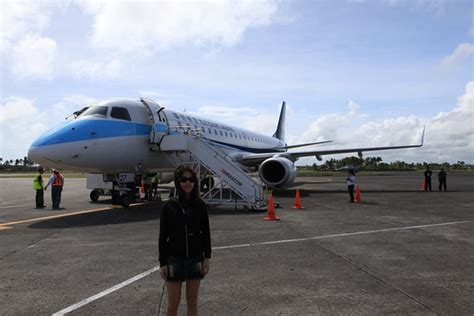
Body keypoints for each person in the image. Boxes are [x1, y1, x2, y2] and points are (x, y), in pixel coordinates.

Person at [159, 166, 211, 316]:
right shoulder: (168, 206)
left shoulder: (200, 205)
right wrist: (162, 262)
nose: (188, 183)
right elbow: (163, 236)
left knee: (192, 300)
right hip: (174, 259)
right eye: (183, 180)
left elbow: (206, 232)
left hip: (195, 258)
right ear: (177, 182)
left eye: (191, 180)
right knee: (173, 304)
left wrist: (206, 257)